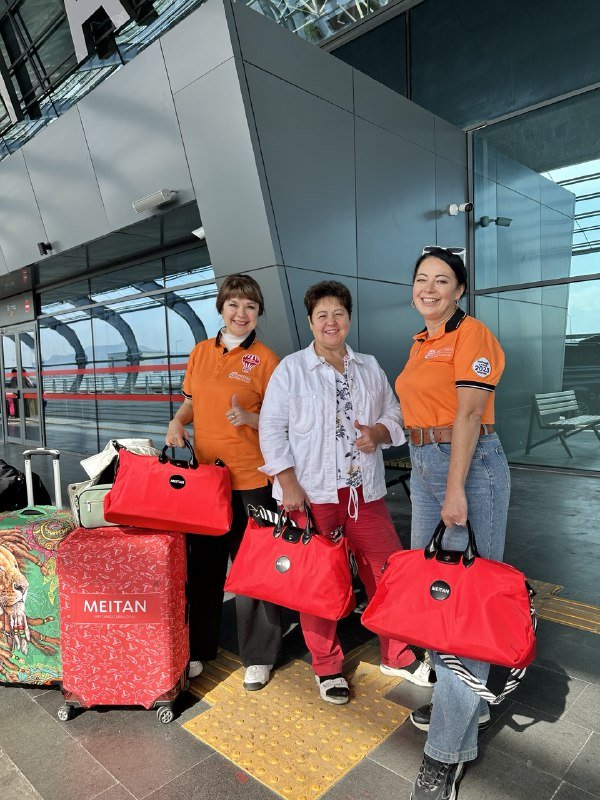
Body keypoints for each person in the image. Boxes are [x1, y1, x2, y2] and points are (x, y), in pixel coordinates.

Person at [259, 280, 432, 705]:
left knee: (387, 571)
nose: (331, 322)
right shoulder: (292, 370)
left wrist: (379, 432)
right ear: (310, 322)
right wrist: (287, 482)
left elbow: (394, 411)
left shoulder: (369, 367)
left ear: (349, 318)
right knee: (318, 582)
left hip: (363, 493)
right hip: (312, 495)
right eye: (322, 315)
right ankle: (327, 666)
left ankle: (397, 653)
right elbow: (271, 428)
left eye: (338, 313)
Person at [395, 248, 510, 800]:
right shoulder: (422, 342)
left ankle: (445, 753)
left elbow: (467, 412)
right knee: (435, 596)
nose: (430, 288)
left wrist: (456, 487)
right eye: (422, 279)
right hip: (424, 465)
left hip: (467, 467)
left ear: (460, 290)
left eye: (442, 280)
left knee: (464, 604)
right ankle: (459, 705)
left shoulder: (472, 335)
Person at [165, 273, 282, 691]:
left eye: (250, 306)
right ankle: (199, 647)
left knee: (253, 569)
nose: (241, 313)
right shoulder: (200, 352)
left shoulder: (267, 360)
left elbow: (283, 420)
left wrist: (250, 418)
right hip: (206, 480)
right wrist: (177, 422)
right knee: (204, 567)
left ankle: (259, 656)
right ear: (221, 308)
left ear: (259, 313)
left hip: (251, 480)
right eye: (234, 304)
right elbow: (191, 403)